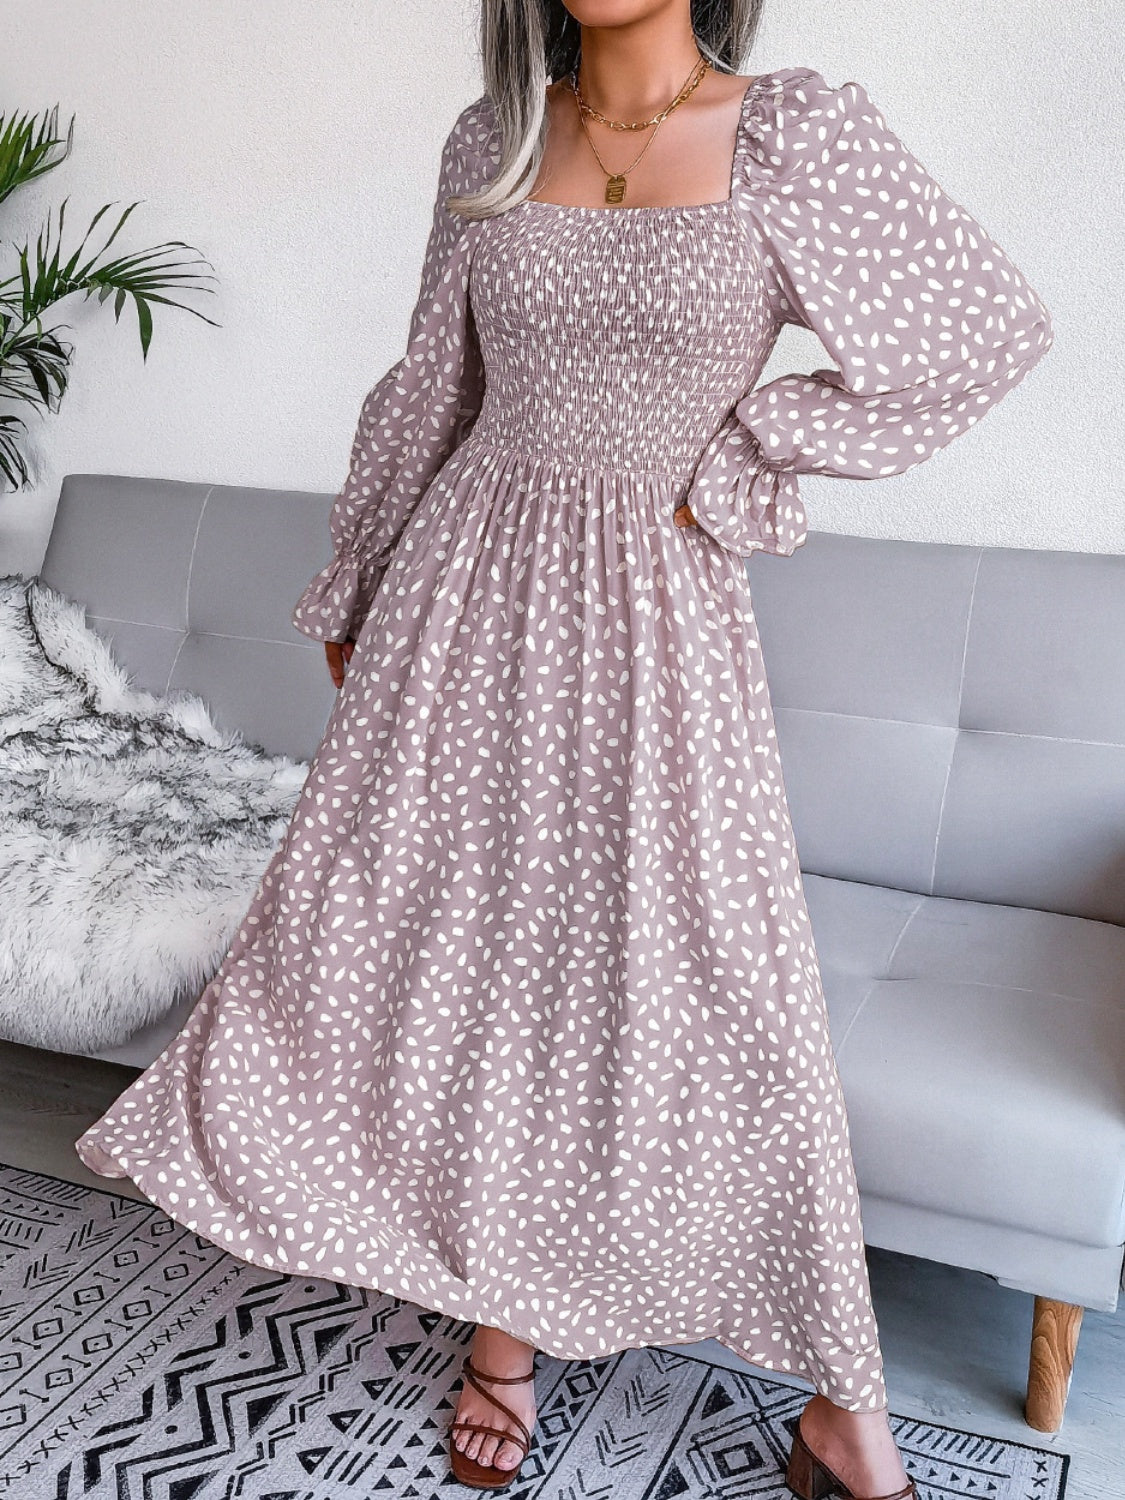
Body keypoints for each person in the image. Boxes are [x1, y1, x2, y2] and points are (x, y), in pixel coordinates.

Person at [75, 1, 1054, 1494]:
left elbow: (982, 333)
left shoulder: (792, 133)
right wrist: (362, 576)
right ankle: (504, 1331)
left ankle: (840, 1396)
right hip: (464, 596)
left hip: (659, 618)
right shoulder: (495, 135)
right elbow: (433, 384)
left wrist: (753, 449)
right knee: (472, 961)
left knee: (726, 984)